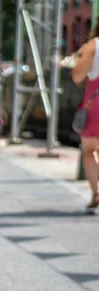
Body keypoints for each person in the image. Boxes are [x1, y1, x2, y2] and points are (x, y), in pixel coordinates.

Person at [72, 19, 99, 211]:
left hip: (96, 102)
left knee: (89, 149)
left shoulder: (93, 45)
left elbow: (77, 76)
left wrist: (79, 57)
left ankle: (96, 192)